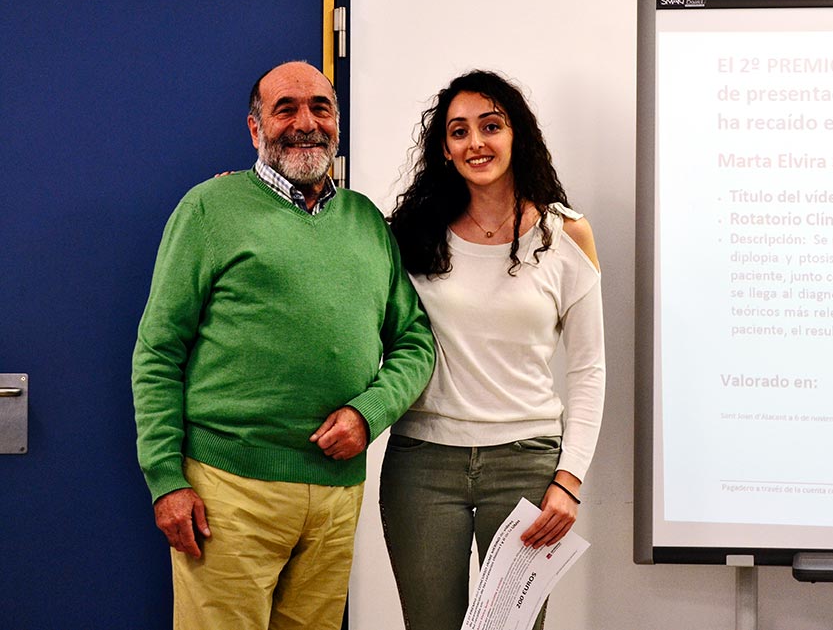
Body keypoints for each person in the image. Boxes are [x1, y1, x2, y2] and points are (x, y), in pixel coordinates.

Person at [131, 61, 436, 630]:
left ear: (337, 124)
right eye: (285, 108)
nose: (306, 122)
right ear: (255, 129)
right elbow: (157, 353)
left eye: (320, 107)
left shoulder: (366, 221)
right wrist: (165, 480)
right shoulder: (207, 211)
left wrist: (369, 414)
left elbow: (416, 341)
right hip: (226, 493)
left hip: (335, 499)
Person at [382, 70, 606, 630]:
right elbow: (333, 246)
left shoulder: (566, 234)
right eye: (459, 131)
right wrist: (254, 199)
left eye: (490, 125)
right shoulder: (411, 234)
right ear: (445, 149)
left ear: (516, 134)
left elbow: (588, 369)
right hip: (422, 466)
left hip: (527, 466)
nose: (475, 142)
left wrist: (569, 481)